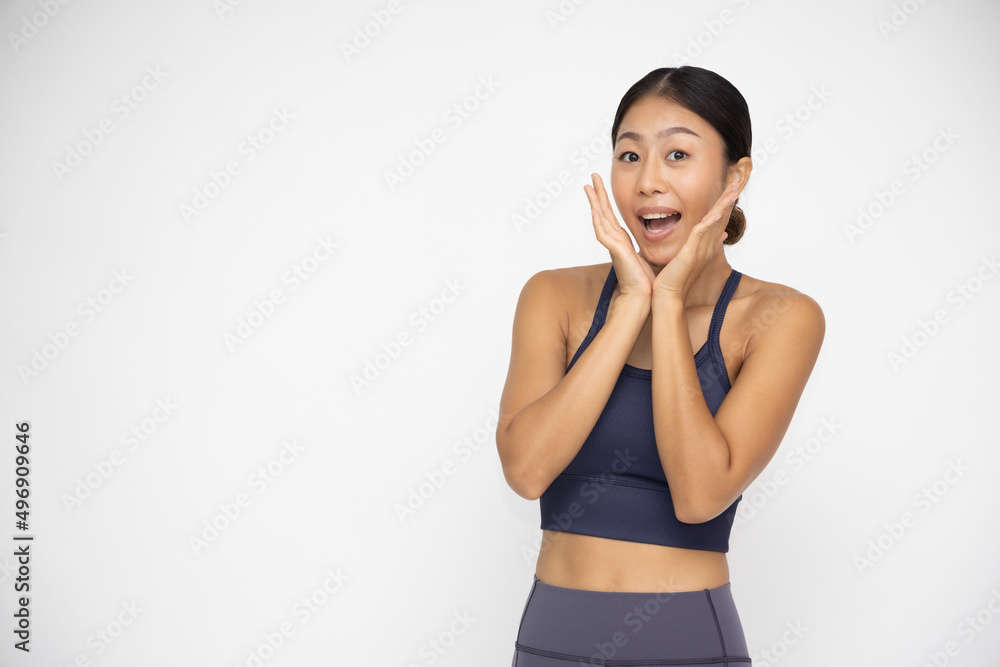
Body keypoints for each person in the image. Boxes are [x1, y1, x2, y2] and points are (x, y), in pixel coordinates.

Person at [496, 66, 825, 666]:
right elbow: (526, 470)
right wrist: (630, 304)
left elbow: (700, 497)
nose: (648, 181)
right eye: (629, 155)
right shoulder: (553, 297)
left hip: (687, 644)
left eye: (677, 154)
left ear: (735, 176)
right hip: (552, 642)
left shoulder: (779, 316)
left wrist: (668, 302)